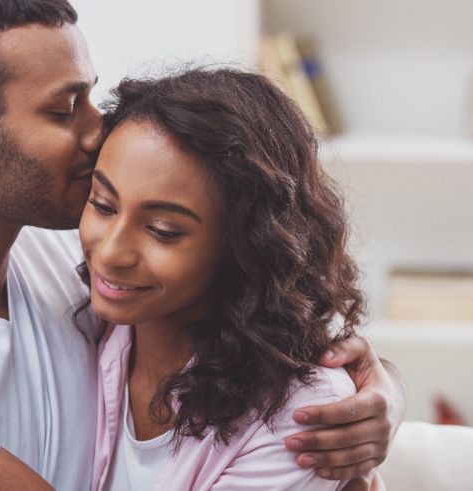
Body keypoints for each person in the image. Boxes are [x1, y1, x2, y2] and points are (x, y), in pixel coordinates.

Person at [0, 1, 404, 489]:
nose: (102, 132)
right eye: (66, 111)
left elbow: (242, 308)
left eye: (92, 97)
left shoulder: (57, 261)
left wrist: (373, 393)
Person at [79, 68, 384, 490]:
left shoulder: (305, 419)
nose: (111, 253)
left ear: (246, 246)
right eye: (103, 204)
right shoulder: (84, 325)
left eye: (163, 230)